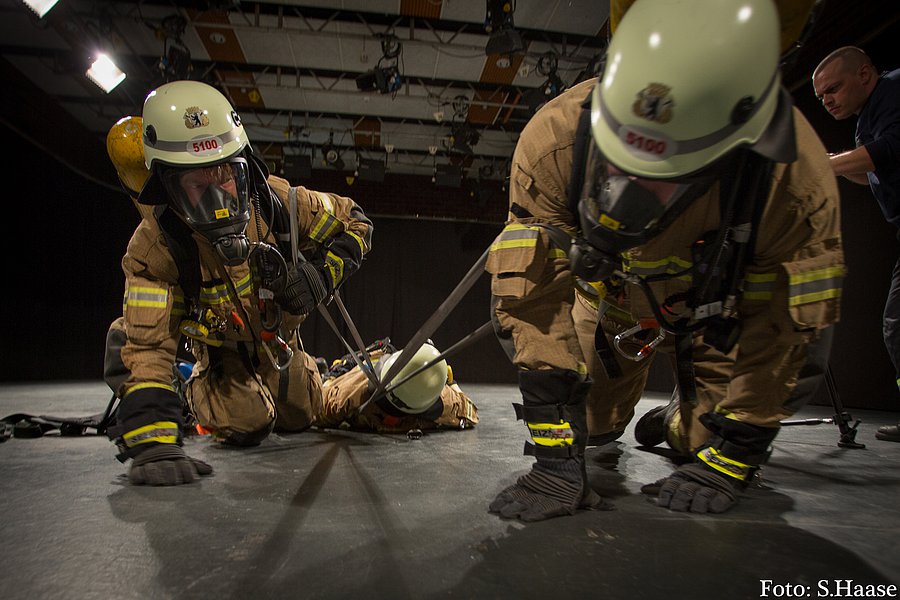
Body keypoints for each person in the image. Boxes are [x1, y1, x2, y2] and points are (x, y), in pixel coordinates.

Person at [485, 0, 844, 520]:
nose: (635, 186)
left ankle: (682, 415)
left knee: (704, 447)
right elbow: (535, 300)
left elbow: (787, 331)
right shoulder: (554, 142)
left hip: (721, 319)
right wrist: (555, 460)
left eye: (666, 171)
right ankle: (649, 413)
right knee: (593, 429)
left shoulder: (792, 180)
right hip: (616, 312)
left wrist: (734, 458)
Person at [103, 80, 374, 485]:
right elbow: (149, 345)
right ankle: (189, 390)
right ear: (168, 188)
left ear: (244, 164)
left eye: (226, 175)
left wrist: (321, 274)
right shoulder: (157, 249)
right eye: (198, 185)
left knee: (300, 417)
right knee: (249, 422)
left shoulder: (278, 203)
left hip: (281, 346)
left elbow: (357, 222)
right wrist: (154, 439)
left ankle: (310, 373)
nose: (219, 197)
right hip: (221, 357)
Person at [812, 47, 900, 443]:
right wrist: (836, 161)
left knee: (897, 326)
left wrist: (817, 164)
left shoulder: (895, 91)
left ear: (865, 74)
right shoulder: (867, 117)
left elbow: (889, 151)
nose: (828, 99)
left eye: (834, 88)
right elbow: (873, 174)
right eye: (821, 96)